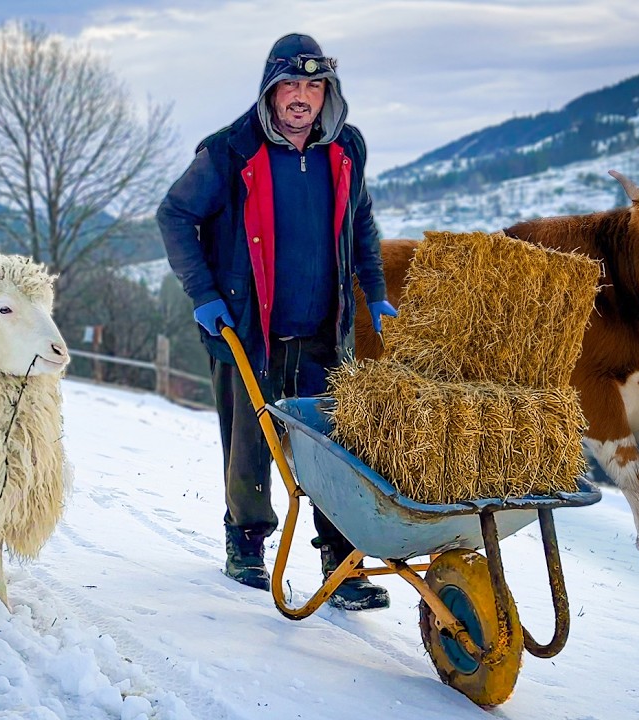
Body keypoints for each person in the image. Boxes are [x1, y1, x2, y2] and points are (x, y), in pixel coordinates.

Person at [156, 33, 398, 611]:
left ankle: (340, 562)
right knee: (250, 440)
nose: (301, 97)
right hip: (246, 324)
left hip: (320, 326)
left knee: (336, 443)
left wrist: (376, 290)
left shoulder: (345, 148)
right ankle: (246, 544)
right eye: (290, 84)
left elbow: (360, 220)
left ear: (327, 94)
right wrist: (203, 293)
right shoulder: (230, 151)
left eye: (313, 86)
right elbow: (174, 214)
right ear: (270, 90)